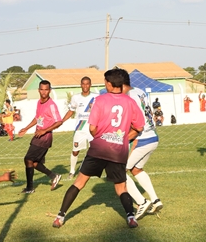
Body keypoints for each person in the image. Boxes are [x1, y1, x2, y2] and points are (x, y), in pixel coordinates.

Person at [53, 68, 145, 229]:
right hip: (118, 151)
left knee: (79, 183)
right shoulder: (130, 102)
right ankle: (131, 217)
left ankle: (60, 216)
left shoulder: (100, 100)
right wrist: (122, 138)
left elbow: (92, 128)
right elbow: (139, 127)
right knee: (121, 187)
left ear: (109, 84)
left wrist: (101, 136)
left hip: (98, 149)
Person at [18, 80, 64, 193]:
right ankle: (54, 176)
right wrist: (26, 128)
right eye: (42, 89)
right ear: (39, 90)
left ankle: (30, 188)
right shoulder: (39, 102)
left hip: (44, 138)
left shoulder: (51, 105)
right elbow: (38, 118)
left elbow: (59, 121)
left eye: (46, 89)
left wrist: (44, 131)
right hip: (38, 136)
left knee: (28, 159)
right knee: (34, 163)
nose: (44, 92)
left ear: (50, 90)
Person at [125, 81, 162, 219]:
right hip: (153, 136)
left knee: (119, 172)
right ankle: (155, 200)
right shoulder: (139, 91)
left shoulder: (129, 97)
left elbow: (136, 123)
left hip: (141, 139)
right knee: (136, 169)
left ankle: (142, 202)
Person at [63, 76, 96, 177]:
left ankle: (90, 171)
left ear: (90, 85)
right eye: (83, 83)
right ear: (81, 85)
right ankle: (72, 171)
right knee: (75, 151)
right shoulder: (75, 98)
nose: (85, 86)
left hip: (92, 128)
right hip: (80, 128)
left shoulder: (97, 96)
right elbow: (71, 111)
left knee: (93, 151)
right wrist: (62, 121)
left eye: (87, 83)